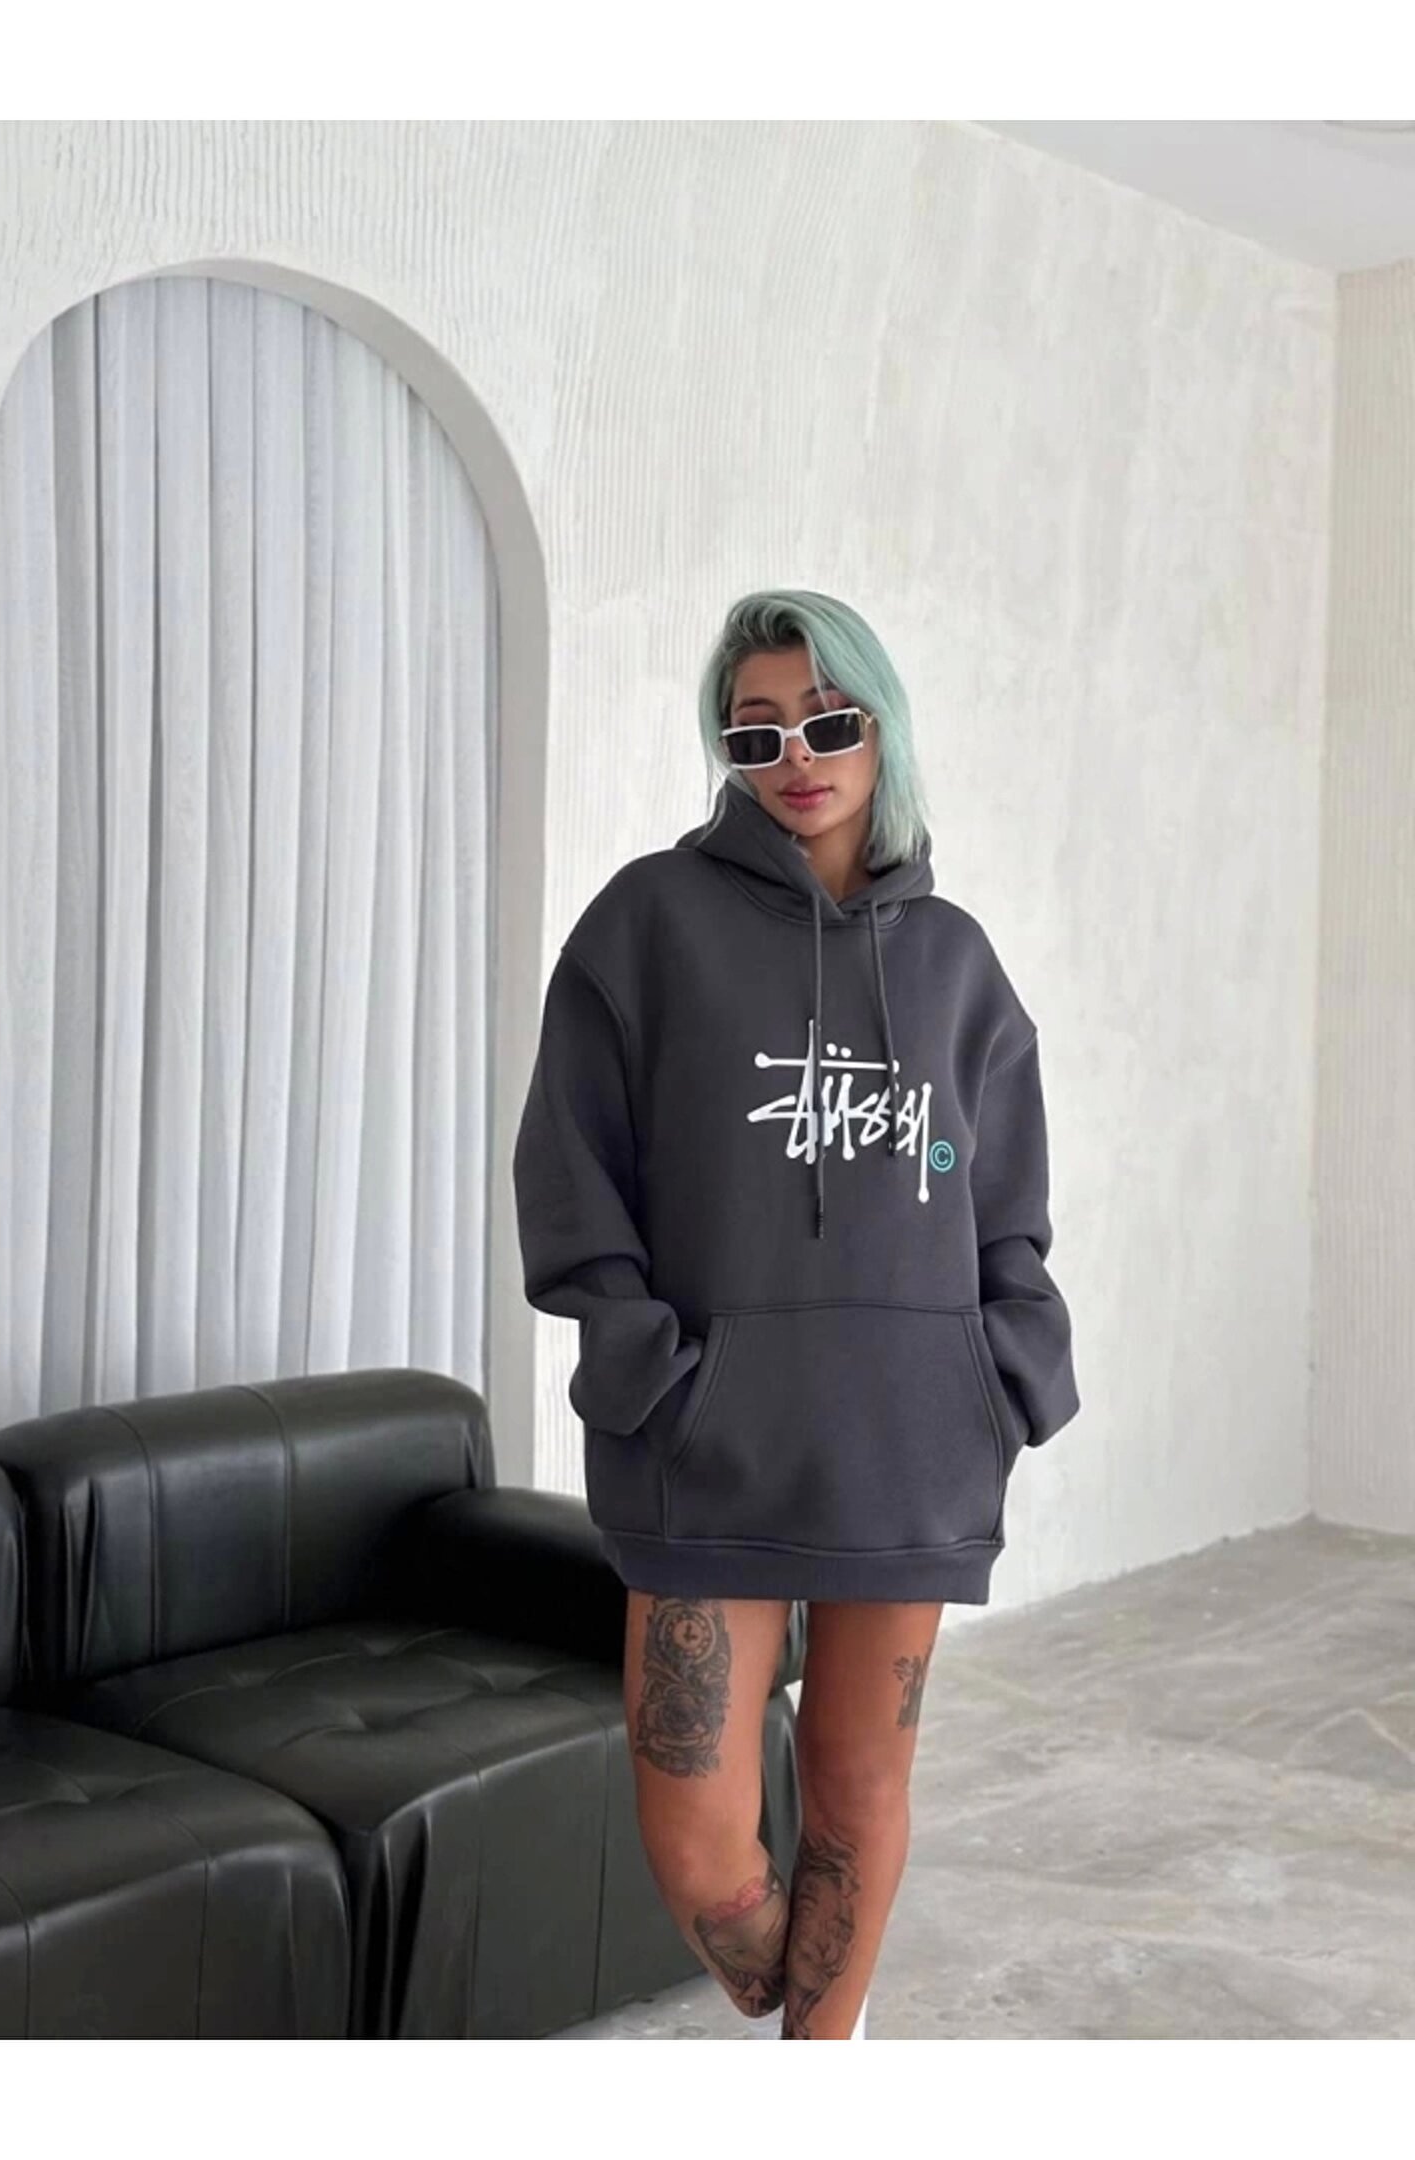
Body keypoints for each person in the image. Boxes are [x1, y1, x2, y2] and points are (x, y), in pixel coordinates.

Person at [513, 590, 1079, 2040]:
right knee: (700, 1839)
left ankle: (820, 2077)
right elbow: (572, 1166)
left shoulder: (954, 961)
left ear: (885, 733)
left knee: (859, 1788)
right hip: (706, 1445)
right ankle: (815, 2014)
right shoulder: (647, 924)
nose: (796, 759)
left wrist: (1003, 1372)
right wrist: (649, 1368)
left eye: (829, 724)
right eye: (754, 733)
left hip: (910, 1447)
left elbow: (1005, 1201)